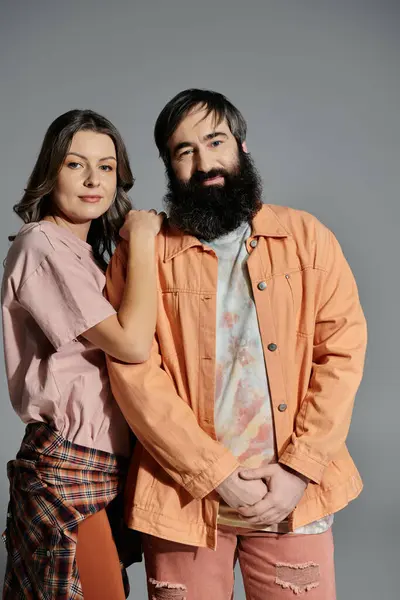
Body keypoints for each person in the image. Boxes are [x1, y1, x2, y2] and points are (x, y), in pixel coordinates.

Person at [106, 89, 367, 599]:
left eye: (215, 141)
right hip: (183, 498)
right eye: (185, 152)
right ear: (169, 166)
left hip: (293, 498)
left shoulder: (308, 238)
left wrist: (298, 469)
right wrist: (216, 474)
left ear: (242, 147)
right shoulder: (144, 254)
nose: (205, 164)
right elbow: (134, 375)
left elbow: (342, 353)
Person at [1, 109, 163, 599]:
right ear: (51, 172)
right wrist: (144, 242)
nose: (94, 179)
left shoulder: (90, 256)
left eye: (107, 166)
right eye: (75, 164)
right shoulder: (41, 244)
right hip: (67, 466)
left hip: (106, 466)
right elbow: (132, 344)